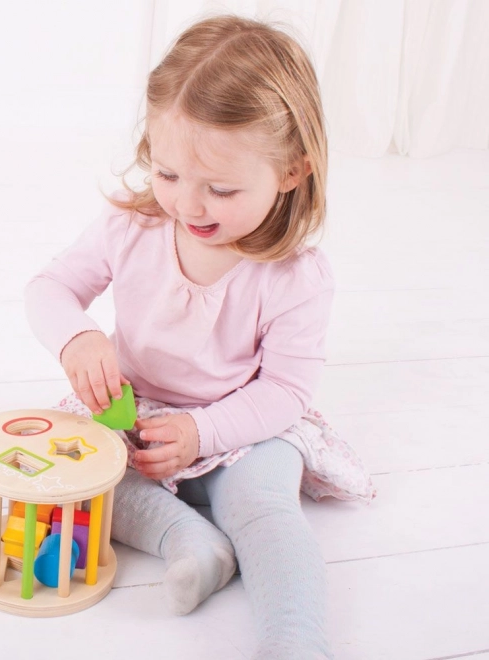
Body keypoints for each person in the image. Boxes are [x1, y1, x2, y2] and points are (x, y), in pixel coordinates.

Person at [25, 15, 374, 660]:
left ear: (293, 172)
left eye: (221, 188)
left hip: (244, 425)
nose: (189, 205)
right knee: (85, 475)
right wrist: (78, 339)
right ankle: (190, 542)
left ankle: (296, 642)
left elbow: (286, 390)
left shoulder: (294, 275)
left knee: (262, 509)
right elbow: (50, 289)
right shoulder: (131, 228)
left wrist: (203, 434)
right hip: (137, 414)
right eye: (167, 173)